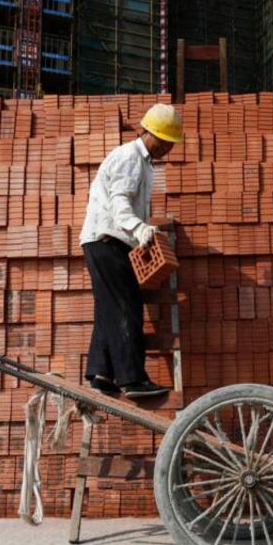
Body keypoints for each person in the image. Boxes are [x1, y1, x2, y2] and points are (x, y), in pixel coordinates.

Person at [77, 104, 183, 398]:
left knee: (109, 308)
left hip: (105, 242)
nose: (167, 148)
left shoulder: (142, 162)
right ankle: (132, 379)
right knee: (127, 306)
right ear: (148, 132)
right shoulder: (129, 158)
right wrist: (139, 229)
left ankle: (100, 374)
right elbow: (119, 202)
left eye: (170, 143)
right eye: (163, 140)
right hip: (107, 242)